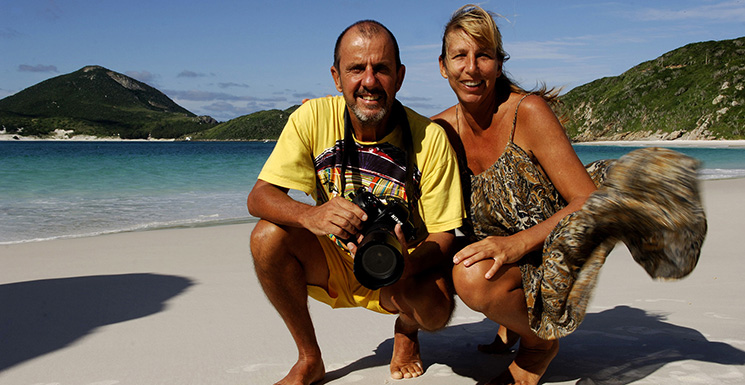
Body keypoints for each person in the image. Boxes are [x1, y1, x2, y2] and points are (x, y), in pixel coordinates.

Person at [432, 4, 706, 385]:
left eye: (484, 55)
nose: (472, 67)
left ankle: (539, 345)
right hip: (505, 243)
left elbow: (586, 201)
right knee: (436, 255)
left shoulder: (526, 112)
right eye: (460, 55)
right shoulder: (438, 131)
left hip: (560, 243)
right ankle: (511, 323)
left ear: (498, 63)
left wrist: (516, 244)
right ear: (443, 65)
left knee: (472, 277)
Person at [247, 20, 465, 385]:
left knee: (435, 308)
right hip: (333, 257)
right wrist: (312, 215)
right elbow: (259, 196)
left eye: (381, 68)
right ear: (336, 77)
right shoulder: (312, 118)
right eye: (356, 69)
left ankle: (407, 329)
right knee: (265, 237)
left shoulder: (429, 139)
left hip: (401, 266)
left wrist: (402, 262)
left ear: (399, 76)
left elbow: (444, 236)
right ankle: (309, 358)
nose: (369, 81)